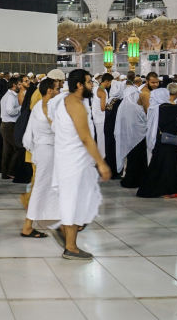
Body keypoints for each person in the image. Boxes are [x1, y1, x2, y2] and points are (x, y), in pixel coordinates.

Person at [52, 69, 111, 260]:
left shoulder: (64, 101)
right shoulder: (75, 104)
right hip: (74, 161)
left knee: (78, 201)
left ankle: (66, 232)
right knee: (73, 201)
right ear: (79, 85)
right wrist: (101, 163)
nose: (91, 85)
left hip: (68, 158)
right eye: (88, 82)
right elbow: (85, 137)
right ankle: (71, 247)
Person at [21, 77, 60, 238]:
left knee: (50, 187)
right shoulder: (48, 107)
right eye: (57, 88)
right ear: (49, 90)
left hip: (43, 150)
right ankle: (28, 226)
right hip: (47, 151)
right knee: (40, 188)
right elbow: (56, 128)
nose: (58, 91)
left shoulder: (38, 105)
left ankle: (59, 221)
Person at [138, 82, 177, 198]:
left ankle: (165, 190)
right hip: (170, 142)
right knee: (170, 166)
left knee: (160, 166)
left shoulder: (154, 108)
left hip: (161, 141)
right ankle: (168, 190)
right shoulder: (168, 108)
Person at [114, 82, 147, 187]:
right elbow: (145, 121)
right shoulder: (137, 108)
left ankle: (130, 180)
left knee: (131, 161)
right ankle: (139, 180)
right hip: (139, 138)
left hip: (127, 139)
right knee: (139, 161)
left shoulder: (122, 107)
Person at [0, 76, 23, 178]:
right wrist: (20, 108)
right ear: (14, 85)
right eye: (19, 84)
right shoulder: (10, 97)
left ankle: (5, 173)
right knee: (18, 148)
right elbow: (10, 111)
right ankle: (11, 171)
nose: (20, 86)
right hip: (9, 125)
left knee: (7, 150)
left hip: (6, 125)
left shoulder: (10, 95)